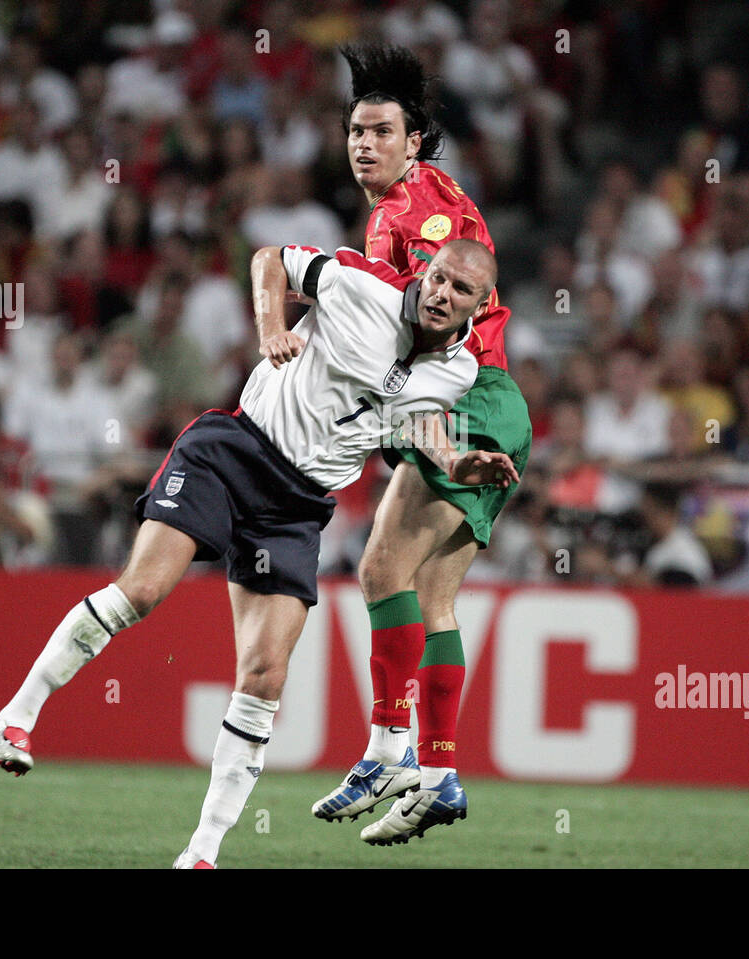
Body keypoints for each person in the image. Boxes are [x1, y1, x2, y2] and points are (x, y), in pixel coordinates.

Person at [0, 238, 517, 868]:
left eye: (461, 291)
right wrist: (271, 327)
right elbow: (270, 259)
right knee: (143, 591)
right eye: (440, 279)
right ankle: (14, 717)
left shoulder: (458, 374)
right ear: (424, 272)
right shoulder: (360, 287)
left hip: (297, 509)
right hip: (233, 453)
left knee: (264, 676)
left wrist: (455, 459)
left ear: (480, 309)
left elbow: (415, 419)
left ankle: (202, 854)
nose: (443, 295)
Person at [310, 44, 532, 846]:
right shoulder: (426, 195)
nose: (363, 144)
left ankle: (384, 749)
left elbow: (416, 331)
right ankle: (438, 774)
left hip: (467, 397)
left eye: (381, 131)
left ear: (415, 141)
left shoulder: (411, 215)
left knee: (376, 569)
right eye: (355, 131)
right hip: (491, 401)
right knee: (432, 598)